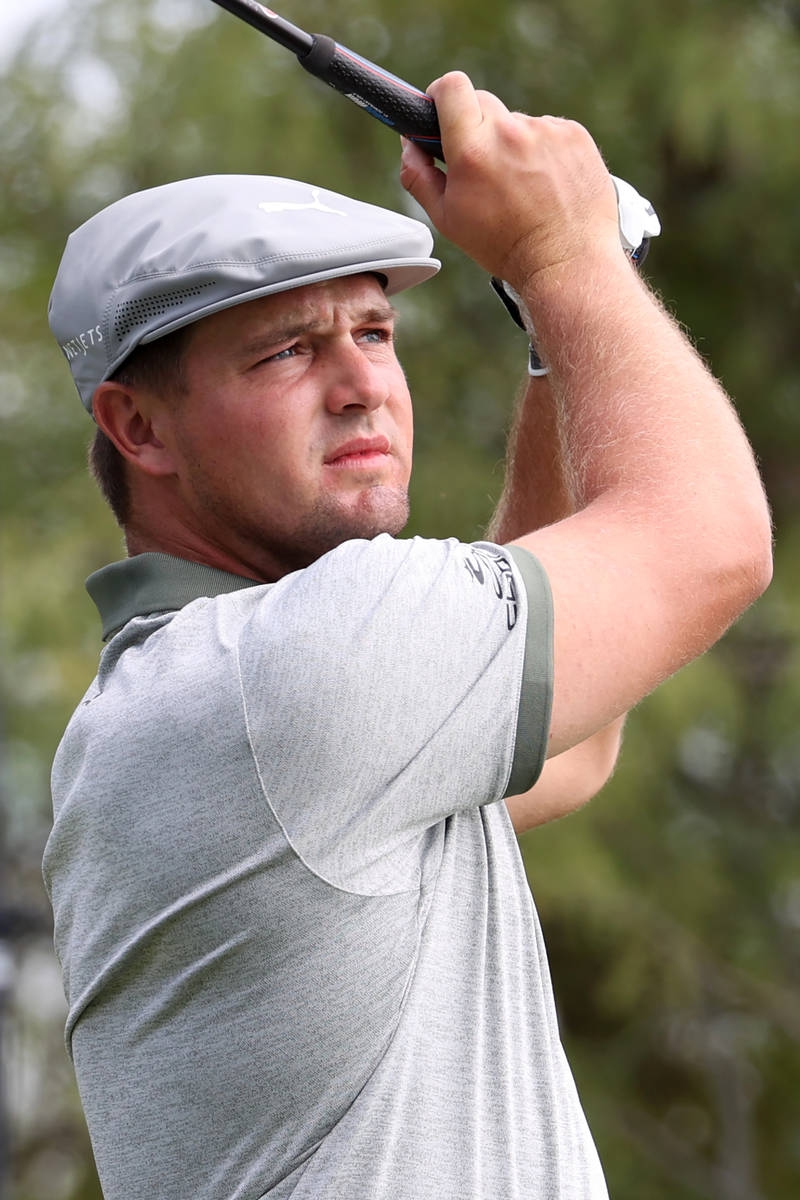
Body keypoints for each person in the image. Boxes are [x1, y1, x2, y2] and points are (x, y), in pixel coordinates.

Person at [43, 72, 771, 1200]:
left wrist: (553, 332)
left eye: (373, 332)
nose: (359, 387)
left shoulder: (197, 694)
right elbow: (707, 540)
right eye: (284, 351)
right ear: (138, 427)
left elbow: (570, 744)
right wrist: (564, 255)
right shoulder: (288, 669)